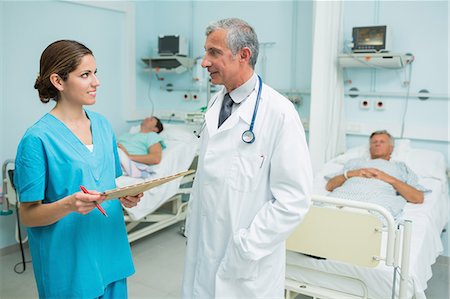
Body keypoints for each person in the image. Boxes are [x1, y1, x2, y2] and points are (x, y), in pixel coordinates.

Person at [181, 18, 313, 298]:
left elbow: (294, 200)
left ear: (243, 55)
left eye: (214, 53)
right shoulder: (216, 104)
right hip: (204, 248)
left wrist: (246, 247)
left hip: (246, 261)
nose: (204, 62)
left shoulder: (279, 112)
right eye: (206, 53)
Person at [14, 40, 142, 299]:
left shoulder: (103, 126)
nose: (96, 82)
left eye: (96, 73)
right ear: (58, 82)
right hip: (69, 262)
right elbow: (27, 215)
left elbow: (107, 182)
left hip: (110, 249)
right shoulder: (37, 139)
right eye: (85, 75)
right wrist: (69, 205)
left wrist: (125, 196)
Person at [326, 130, 426, 218]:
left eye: (382, 142)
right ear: (370, 147)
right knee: (324, 210)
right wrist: (352, 173)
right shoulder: (354, 162)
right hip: (341, 199)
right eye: (374, 142)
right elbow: (329, 186)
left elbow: (418, 197)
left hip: (375, 205)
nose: (377, 144)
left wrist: (388, 179)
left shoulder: (400, 167)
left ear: (391, 148)